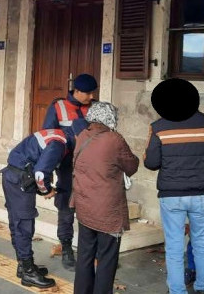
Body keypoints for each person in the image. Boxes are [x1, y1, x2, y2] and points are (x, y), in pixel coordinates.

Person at [144, 78, 204, 294]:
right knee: (202, 243)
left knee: (174, 246)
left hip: (172, 195)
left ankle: (177, 291)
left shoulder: (159, 128)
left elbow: (151, 163)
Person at [71, 101, 139, 294]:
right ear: (111, 118)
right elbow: (131, 166)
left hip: (84, 207)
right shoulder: (114, 139)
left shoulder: (82, 136)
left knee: (84, 256)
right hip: (107, 212)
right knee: (107, 259)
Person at [1, 128, 70, 289]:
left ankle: (24, 265)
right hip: (20, 180)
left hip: (13, 176)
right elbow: (40, 174)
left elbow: (38, 160)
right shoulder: (59, 144)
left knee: (17, 224)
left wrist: (43, 188)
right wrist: (46, 190)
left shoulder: (56, 135)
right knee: (24, 226)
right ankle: (28, 273)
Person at [41, 72, 97, 270]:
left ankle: (90, 251)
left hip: (92, 166)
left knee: (91, 208)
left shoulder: (96, 107)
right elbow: (48, 136)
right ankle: (66, 249)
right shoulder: (58, 107)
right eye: (88, 93)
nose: (92, 96)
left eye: (93, 93)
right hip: (67, 165)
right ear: (77, 91)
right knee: (66, 207)